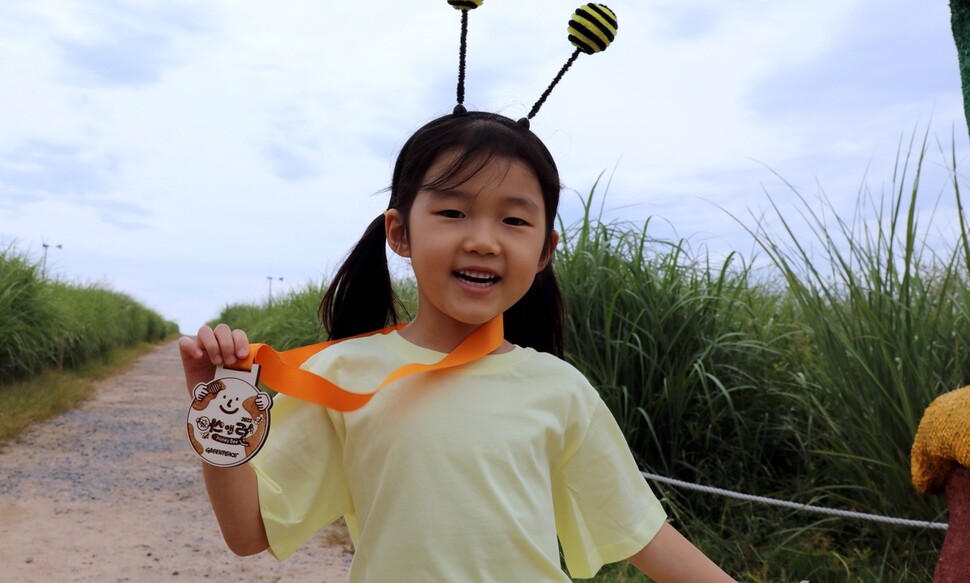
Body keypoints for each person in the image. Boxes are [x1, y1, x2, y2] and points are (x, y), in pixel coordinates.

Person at [179, 110, 735, 581]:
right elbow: (249, 532)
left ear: (545, 250)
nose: (482, 240)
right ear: (399, 232)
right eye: (452, 212)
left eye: (515, 219)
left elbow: (645, 537)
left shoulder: (559, 389)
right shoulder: (339, 374)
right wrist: (216, 406)